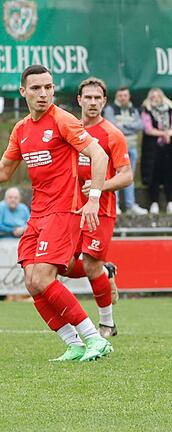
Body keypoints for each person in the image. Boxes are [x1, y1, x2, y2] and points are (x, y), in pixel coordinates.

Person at [0, 64, 113, 361]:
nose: (44, 93)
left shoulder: (63, 120)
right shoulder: (21, 129)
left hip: (64, 211)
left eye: (48, 87)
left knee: (44, 277)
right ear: (22, 91)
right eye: (36, 88)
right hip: (38, 213)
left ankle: (94, 337)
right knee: (31, 280)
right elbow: (4, 171)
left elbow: (99, 155)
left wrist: (93, 198)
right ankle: (73, 343)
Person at [59, 77, 133, 338]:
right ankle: (106, 270)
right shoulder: (69, 128)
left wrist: (100, 186)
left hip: (100, 209)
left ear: (104, 101)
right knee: (62, 266)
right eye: (87, 97)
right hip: (71, 208)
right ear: (79, 100)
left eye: (97, 98)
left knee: (90, 266)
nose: (92, 102)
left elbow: (127, 176)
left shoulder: (112, 134)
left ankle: (107, 324)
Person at [103, 87, 148, 215]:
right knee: (115, 177)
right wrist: (129, 127)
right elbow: (113, 127)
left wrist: (124, 127)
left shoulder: (134, 110)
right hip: (116, 149)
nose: (123, 98)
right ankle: (114, 205)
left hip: (132, 148)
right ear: (117, 96)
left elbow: (139, 125)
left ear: (129, 96)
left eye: (125, 95)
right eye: (120, 95)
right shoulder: (110, 110)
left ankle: (130, 205)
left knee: (129, 177)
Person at [141, 88, 172, 215]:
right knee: (153, 175)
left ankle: (170, 202)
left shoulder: (170, 109)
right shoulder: (147, 110)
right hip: (152, 148)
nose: (156, 98)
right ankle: (154, 202)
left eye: (158, 96)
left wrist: (168, 134)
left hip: (168, 147)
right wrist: (163, 134)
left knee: (169, 174)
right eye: (153, 96)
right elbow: (147, 129)